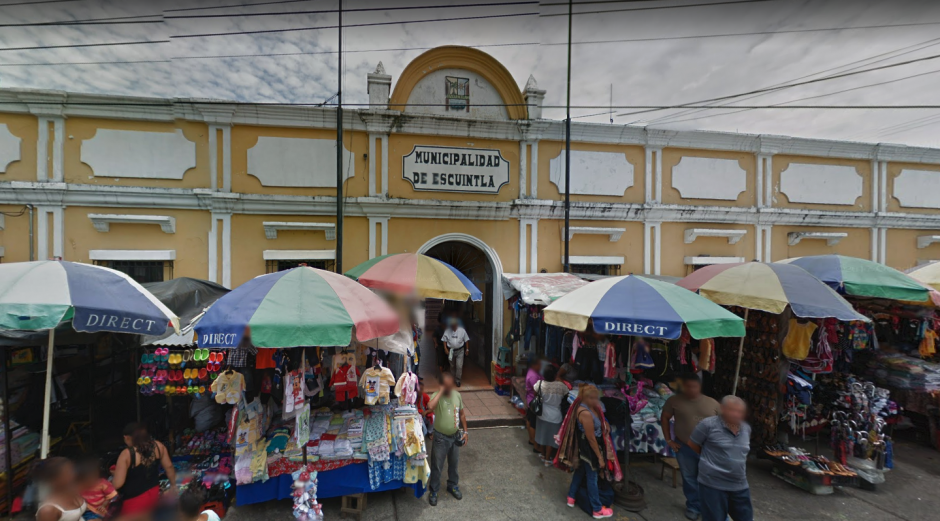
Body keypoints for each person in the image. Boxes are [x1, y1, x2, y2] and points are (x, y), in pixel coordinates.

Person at [661, 374, 721, 521]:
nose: (690, 389)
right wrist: (668, 439)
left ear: (699, 387)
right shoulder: (674, 401)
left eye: (693, 386)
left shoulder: (712, 404)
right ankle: (693, 506)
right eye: (687, 386)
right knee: (689, 479)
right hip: (684, 447)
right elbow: (665, 417)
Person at [688, 396, 753, 521]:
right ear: (722, 409)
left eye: (739, 412)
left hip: (739, 485)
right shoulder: (708, 425)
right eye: (732, 410)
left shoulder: (746, 429)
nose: (736, 414)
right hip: (712, 484)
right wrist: (709, 459)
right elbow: (693, 444)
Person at [565, 384, 614, 519]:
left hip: (587, 447)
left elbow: (600, 419)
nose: (594, 400)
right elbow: (591, 437)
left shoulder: (592, 408)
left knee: (580, 472)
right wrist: (599, 457)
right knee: (592, 477)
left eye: (595, 397)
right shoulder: (584, 412)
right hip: (589, 448)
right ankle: (597, 509)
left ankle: (571, 496)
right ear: (584, 398)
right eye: (591, 397)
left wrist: (606, 424)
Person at [112, 423, 177, 521]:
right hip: (154, 492)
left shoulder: (126, 454)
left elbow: (117, 484)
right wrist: (173, 485)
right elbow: (169, 467)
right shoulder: (158, 446)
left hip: (133, 500)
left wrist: (113, 475)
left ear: (127, 437)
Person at [426, 371, 468, 506]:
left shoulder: (457, 396)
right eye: (446, 386)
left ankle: (453, 485)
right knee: (437, 465)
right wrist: (440, 392)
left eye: (451, 385)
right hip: (440, 438)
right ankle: (434, 490)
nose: (449, 388)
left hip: (455, 436)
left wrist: (466, 432)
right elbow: (430, 407)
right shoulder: (436, 397)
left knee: (454, 464)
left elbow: (462, 414)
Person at [533, 365, 569, 466]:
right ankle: (547, 459)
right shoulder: (560, 386)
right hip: (555, 415)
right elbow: (567, 393)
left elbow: (535, 393)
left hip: (542, 413)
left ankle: (543, 454)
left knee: (543, 435)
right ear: (554, 375)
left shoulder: (539, 384)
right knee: (550, 438)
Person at [441, 317, 470, 386]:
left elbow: (466, 340)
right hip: (451, 351)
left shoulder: (462, 331)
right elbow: (444, 340)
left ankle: (458, 380)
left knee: (459, 366)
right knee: (452, 365)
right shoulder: (447, 331)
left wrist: (467, 349)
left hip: (460, 351)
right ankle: (452, 378)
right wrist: (445, 348)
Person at [524, 356, 543, 449]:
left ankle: (531, 439)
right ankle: (534, 442)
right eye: (539, 364)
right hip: (533, 401)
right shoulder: (533, 376)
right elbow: (537, 390)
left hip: (530, 400)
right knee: (533, 423)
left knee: (530, 419)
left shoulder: (534, 372)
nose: (541, 366)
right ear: (534, 365)